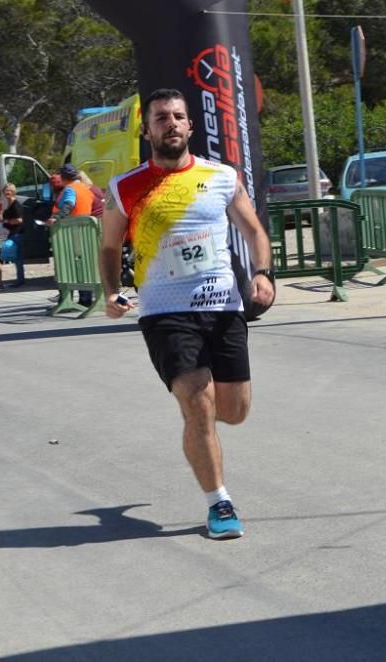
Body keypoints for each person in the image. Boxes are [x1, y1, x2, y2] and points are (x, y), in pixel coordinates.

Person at [99, 88, 275, 540]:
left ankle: (200, 431)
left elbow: (253, 230)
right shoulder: (126, 186)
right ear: (147, 129)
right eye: (161, 118)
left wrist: (263, 273)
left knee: (232, 412)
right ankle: (219, 502)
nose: (171, 123)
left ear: (190, 126)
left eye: (178, 116)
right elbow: (109, 245)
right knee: (198, 400)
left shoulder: (221, 177)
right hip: (164, 312)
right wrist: (112, 291)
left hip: (222, 306)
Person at [0, 184, 26, 287]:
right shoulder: (9, 204)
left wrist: (8, 221)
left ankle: (20, 280)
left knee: (18, 258)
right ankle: (19, 279)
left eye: (9, 191)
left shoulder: (16, 205)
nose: (7, 192)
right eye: (5, 191)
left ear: (13, 192)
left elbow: (19, 220)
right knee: (16, 258)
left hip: (18, 233)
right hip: (13, 233)